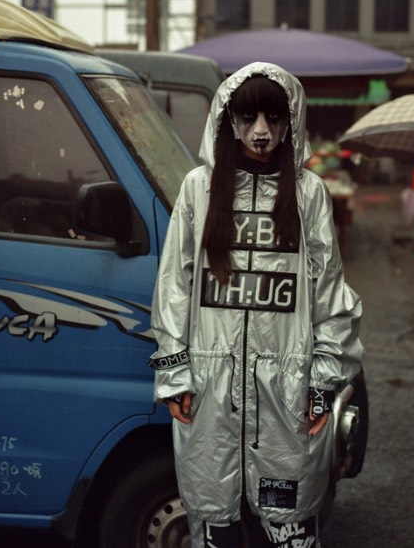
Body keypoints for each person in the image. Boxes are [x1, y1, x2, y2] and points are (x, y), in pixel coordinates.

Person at [149, 62, 364, 547]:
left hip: (287, 394)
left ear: (292, 122)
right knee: (213, 516)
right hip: (209, 388)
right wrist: (176, 373)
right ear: (228, 121)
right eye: (248, 119)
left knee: (287, 525)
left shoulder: (308, 196)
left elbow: (330, 294)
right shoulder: (198, 191)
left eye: (274, 118)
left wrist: (322, 385)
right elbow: (173, 288)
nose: (262, 132)